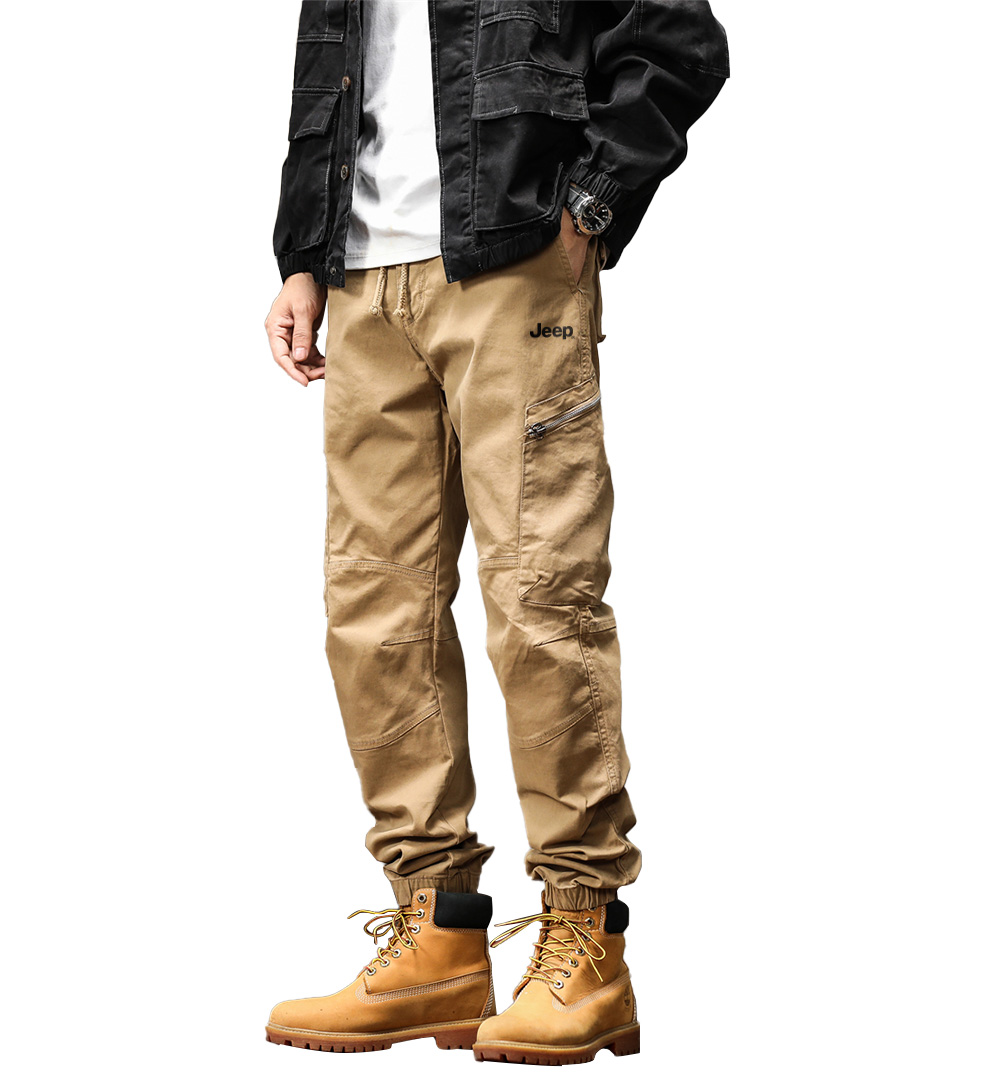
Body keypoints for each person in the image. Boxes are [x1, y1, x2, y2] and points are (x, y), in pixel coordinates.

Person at [263, 0, 729, 1065]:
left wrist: (592, 204)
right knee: (372, 612)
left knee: (540, 599)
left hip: (513, 262)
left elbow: (678, 42)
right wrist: (301, 254)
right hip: (361, 280)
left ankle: (587, 940)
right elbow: (328, 73)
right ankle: (435, 936)